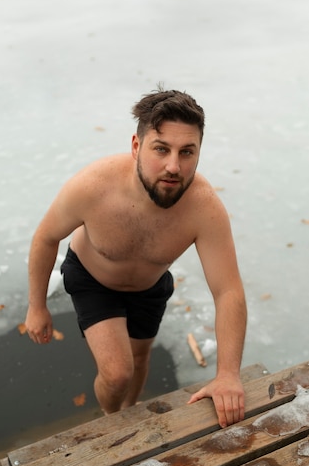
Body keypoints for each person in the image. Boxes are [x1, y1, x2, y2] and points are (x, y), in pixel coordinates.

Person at [25, 88, 247, 428]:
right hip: (92, 278)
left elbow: (228, 291)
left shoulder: (205, 209)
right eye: (161, 149)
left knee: (141, 359)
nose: (174, 166)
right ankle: (110, 419)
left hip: (149, 286)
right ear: (136, 146)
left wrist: (228, 374)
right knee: (117, 374)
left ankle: (130, 414)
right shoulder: (93, 186)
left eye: (187, 152)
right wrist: (36, 306)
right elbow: (46, 237)